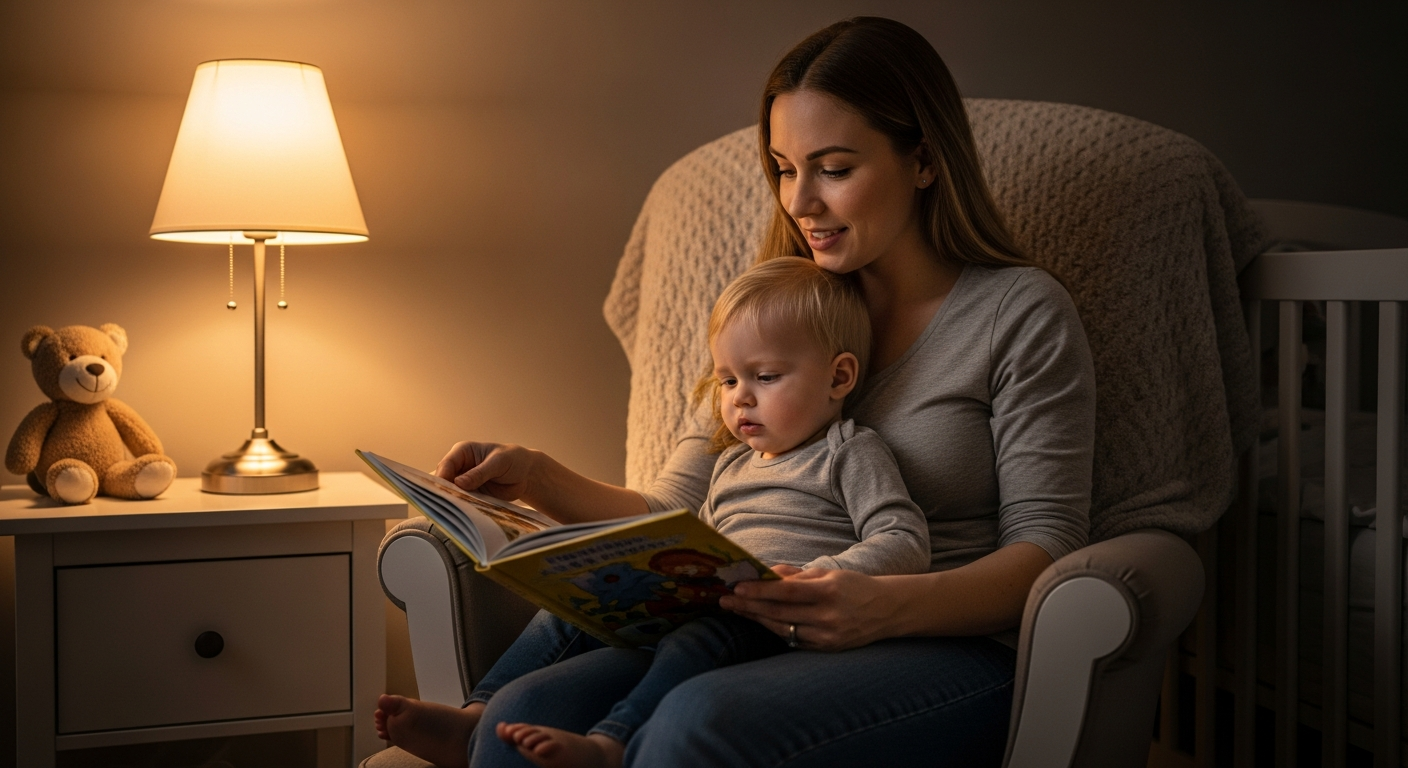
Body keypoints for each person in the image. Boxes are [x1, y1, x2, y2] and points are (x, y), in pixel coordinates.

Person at [378, 15, 1095, 768]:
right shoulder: (771, 319)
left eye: (835, 168)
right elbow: (673, 516)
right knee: (519, 715)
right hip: (755, 622)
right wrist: (537, 478)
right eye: (785, 169)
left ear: (923, 160)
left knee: (695, 719)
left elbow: (1045, 549)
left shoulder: (1019, 311)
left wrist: (880, 605)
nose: (801, 202)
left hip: (946, 645)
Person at [377, 256, 931, 768]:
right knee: (577, 606)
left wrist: (826, 577)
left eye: (766, 377)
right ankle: (473, 718)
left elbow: (903, 536)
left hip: (777, 617)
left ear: (838, 377)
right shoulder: (731, 466)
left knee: (699, 638)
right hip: (710, 600)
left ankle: (612, 743)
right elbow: (699, 537)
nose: (740, 398)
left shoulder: (849, 451)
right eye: (728, 380)